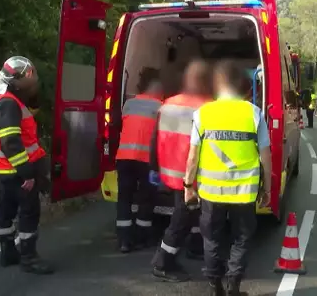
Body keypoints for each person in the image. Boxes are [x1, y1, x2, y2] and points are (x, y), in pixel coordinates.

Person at [183, 60, 272, 296]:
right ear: (241, 84)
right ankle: (233, 285)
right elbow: (266, 156)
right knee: (242, 238)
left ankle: (215, 287)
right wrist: (268, 190)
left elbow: (192, 156)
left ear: (218, 83)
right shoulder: (254, 113)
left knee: (211, 238)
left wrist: (188, 185)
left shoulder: (203, 114)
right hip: (244, 191)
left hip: (211, 192)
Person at [0, 56, 54, 274]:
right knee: (29, 213)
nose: (33, 83)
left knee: (5, 211)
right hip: (18, 170)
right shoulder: (9, 104)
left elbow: (28, 113)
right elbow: (10, 142)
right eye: (30, 79)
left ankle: (8, 253)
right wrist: (27, 173)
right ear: (19, 79)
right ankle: (29, 257)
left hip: (3, 170)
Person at [149, 59, 214, 282]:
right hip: (193, 176)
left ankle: (190, 250)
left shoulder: (167, 104)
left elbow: (154, 139)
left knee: (189, 214)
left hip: (171, 174)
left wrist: (154, 168)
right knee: (182, 219)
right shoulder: (208, 107)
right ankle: (162, 262)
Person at [115, 67, 163, 253]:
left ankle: (124, 241)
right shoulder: (160, 107)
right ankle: (143, 237)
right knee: (146, 198)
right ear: (155, 87)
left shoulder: (129, 104)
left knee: (124, 199)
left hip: (124, 159)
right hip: (146, 161)